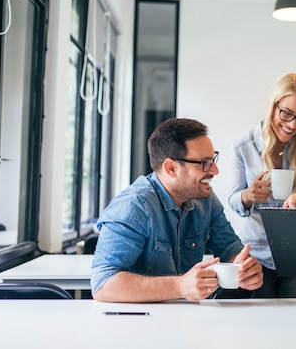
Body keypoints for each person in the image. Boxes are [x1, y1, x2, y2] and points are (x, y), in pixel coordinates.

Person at [91, 118, 263, 302]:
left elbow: (230, 248)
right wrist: (180, 286)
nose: (215, 170)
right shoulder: (133, 206)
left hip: (186, 318)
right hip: (140, 323)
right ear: (171, 168)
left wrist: (243, 266)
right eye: (204, 162)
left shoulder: (205, 200)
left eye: (213, 159)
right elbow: (103, 285)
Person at [227, 73, 296, 298]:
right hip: (256, 251)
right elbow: (233, 199)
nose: (293, 125)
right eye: (287, 114)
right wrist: (248, 195)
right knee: (258, 324)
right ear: (273, 106)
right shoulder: (243, 146)